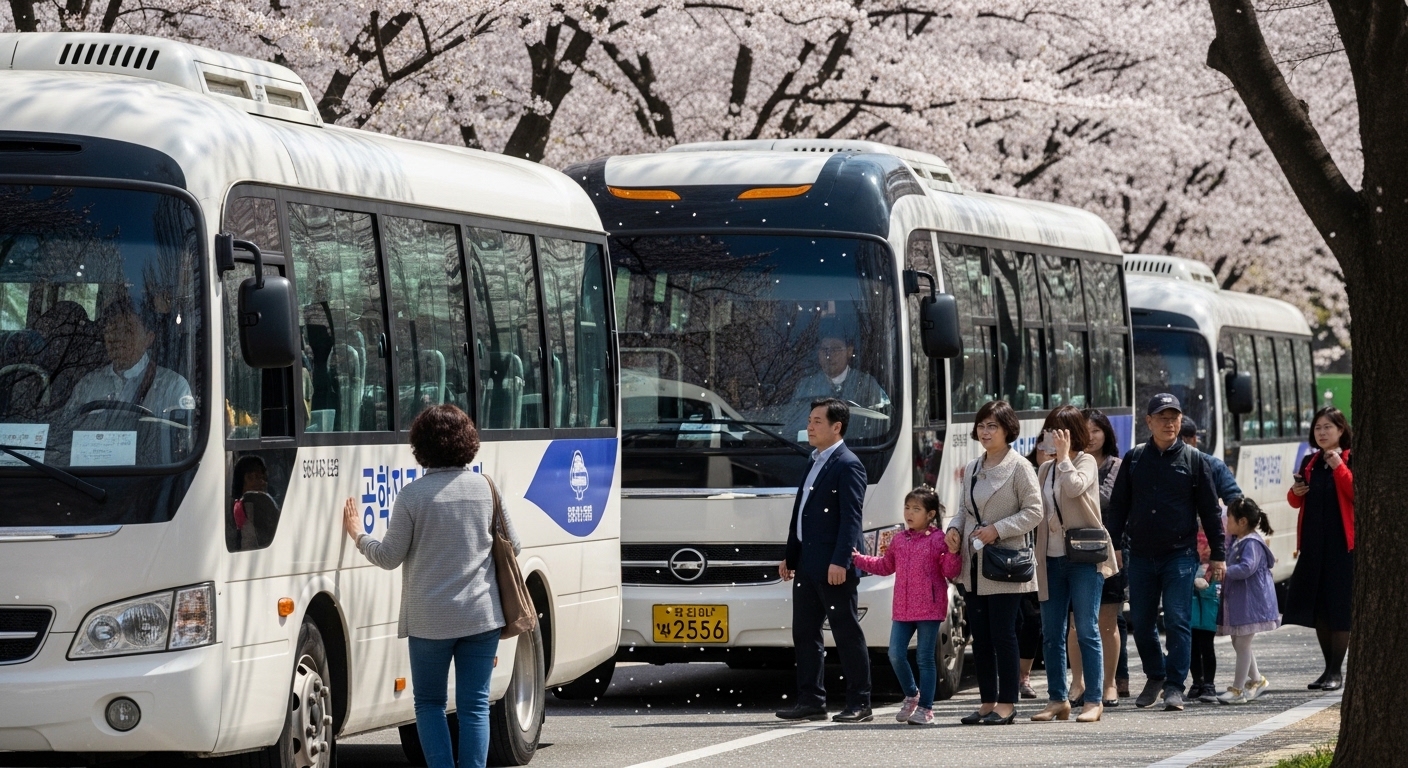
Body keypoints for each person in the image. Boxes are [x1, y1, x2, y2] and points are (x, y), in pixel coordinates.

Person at [341, 404, 519, 768]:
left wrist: (358, 535)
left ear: (420, 445)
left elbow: (389, 557)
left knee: (429, 704)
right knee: (474, 705)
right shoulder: (486, 488)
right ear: (467, 442)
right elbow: (513, 546)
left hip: (429, 621)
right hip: (481, 617)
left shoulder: (412, 496)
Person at [1106, 393, 1226, 712]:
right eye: (1162, 417)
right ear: (1149, 422)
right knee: (1142, 623)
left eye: (1174, 417)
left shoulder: (1194, 460)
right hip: (1142, 555)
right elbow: (1118, 506)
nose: (1169, 423)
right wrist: (1114, 545)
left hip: (1180, 556)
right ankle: (1156, 674)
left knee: (1177, 620)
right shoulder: (1134, 459)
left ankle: (1175, 685)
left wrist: (1219, 553)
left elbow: (1211, 512)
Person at [944, 399, 1042, 725]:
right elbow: (963, 509)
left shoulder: (1019, 466)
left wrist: (997, 530)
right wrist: (954, 530)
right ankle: (987, 701)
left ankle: (1007, 702)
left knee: (1003, 634)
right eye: (981, 426)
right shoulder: (973, 466)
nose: (985, 432)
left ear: (1007, 430)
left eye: (992, 426)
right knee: (981, 636)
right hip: (972, 563)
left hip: (1004, 563)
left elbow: (1034, 512)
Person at [777, 398, 872, 723]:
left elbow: (850, 519)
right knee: (805, 633)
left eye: (818, 421)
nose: (810, 425)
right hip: (807, 562)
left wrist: (841, 561)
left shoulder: (848, 464)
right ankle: (811, 700)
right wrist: (790, 556)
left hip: (834, 565)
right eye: (809, 419)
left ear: (837, 427)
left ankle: (860, 702)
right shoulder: (814, 459)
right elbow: (801, 513)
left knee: (846, 632)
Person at [1031, 405, 1118, 724]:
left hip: (1083, 558)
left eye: (1057, 431)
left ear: (1070, 434)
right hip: (1050, 559)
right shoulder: (1044, 469)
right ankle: (1058, 699)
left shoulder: (1084, 463)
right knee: (1052, 633)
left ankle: (1094, 699)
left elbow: (1075, 487)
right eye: (1049, 430)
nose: (1050, 437)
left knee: (1086, 628)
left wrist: (1065, 457)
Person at [851, 486, 961, 726]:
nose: (909, 513)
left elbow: (950, 572)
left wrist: (953, 553)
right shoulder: (899, 539)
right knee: (895, 654)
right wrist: (858, 559)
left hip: (930, 609)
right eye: (907, 507)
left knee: (924, 658)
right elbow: (885, 566)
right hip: (903, 608)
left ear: (930, 514)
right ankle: (912, 695)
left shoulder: (938, 540)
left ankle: (926, 709)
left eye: (916, 509)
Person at [1285, 406, 1354, 692]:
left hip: (1342, 545)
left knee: (1339, 608)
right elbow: (1295, 501)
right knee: (1320, 610)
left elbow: (1354, 492)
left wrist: (1339, 465)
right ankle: (1327, 669)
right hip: (1314, 545)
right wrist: (1296, 492)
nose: (1322, 432)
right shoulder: (1309, 461)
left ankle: (1337, 671)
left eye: (1328, 427)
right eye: (1318, 428)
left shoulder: (1349, 458)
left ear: (1341, 430)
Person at [1070, 408, 1126, 705]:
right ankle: (1077, 683)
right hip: (1072, 550)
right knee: (1075, 623)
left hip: (1108, 550)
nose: (1090, 437)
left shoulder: (1118, 466)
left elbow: (1112, 503)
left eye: (1096, 431)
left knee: (1107, 622)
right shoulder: (1068, 464)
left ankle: (1109, 684)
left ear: (1106, 433)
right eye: (1084, 431)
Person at [65, 298, 193, 418]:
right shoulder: (88, 385)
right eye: (112, 330)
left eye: (127, 331)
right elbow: (66, 428)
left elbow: (180, 436)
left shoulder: (173, 386)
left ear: (149, 338)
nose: (117, 338)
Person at [1216, 498, 1280, 704]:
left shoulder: (1251, 542)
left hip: (1252, 603)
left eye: (1230, 518)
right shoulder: (1240, 539)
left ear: (1242, 522)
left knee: (1242, 642)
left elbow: (1247, 567)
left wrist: (1225, 571)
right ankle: (1257, 680)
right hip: (1244, 601)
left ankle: (1238, 690)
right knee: (1239, 641)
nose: (1227, 522)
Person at [786, 334, 890, 441]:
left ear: (849, 351)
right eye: (824, 349)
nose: (829, 355)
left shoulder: (866, 384)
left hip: (859, 448)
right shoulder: (806, 386)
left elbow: (879, 424)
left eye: (835, 349)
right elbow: (794, 426)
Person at [1181, 416, 1243, 504]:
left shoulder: (1214, 466)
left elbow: (1235, 501)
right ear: (1195, 439)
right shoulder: (1215, 465)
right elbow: (1236, 502)